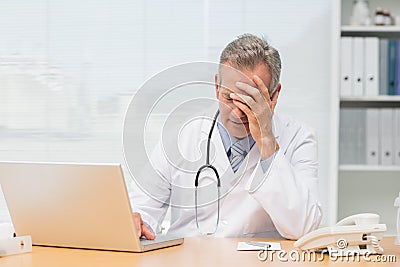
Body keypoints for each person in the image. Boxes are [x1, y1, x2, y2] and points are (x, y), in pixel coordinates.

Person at [130, 33, 322, 240]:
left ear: (274, 96)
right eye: (229, 97)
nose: (238, 113)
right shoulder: (181, 135)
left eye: (251, 101)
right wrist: (138, 221)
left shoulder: (298, 137)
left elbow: (304, 228)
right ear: (216, 87)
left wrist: (267, 141)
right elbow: (141, 209)